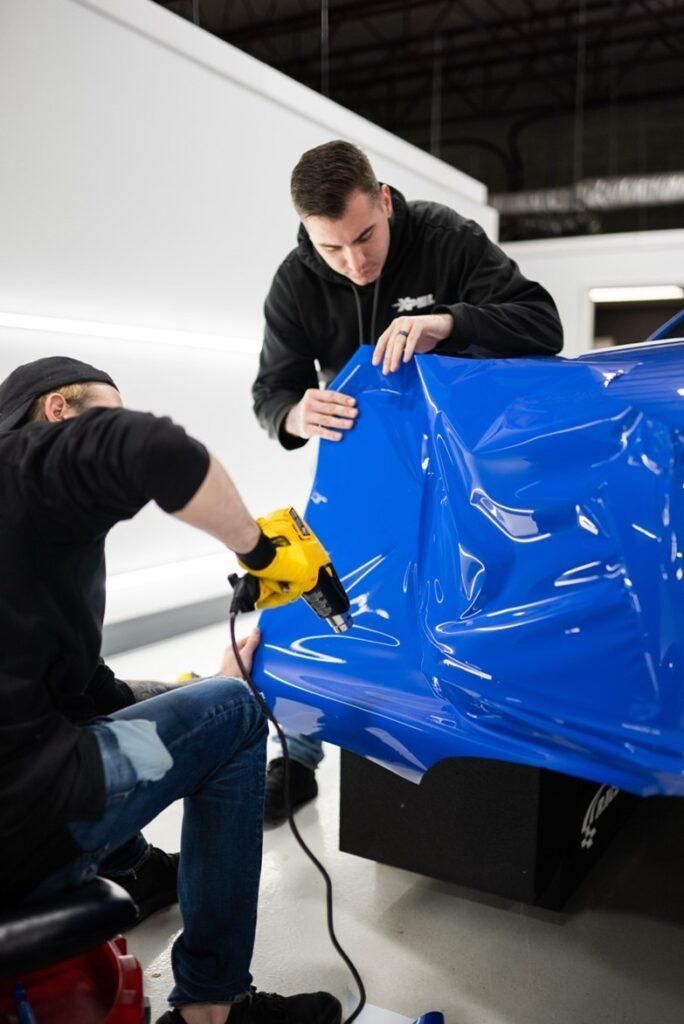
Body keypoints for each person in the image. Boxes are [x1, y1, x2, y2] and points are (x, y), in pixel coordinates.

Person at [0, 356, 342, 1024]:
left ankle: (142, 873)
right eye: (108, 409)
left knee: (194, 697)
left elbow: (78, 689)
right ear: (58, 410)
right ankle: (212, 1006)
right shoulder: (27, 462)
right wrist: (261, 551)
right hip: (26, 822)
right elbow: (158, 450)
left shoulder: (26, 532)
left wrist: (201, 690)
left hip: (24, 758)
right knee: (242, 714)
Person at [252, 139, 563, 822]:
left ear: (385, 200)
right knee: (325, 599)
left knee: (466, 593)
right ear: (309, 234)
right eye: (333, 248)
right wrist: (296, 411)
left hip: (466, 469)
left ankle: (482, 730)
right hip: (366, 472)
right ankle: (298, 753)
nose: (355, 261)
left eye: (365, 237)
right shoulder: (295, 281)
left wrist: (449, 322)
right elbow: (270, 394)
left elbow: (543, 325)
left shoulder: (447, 239)